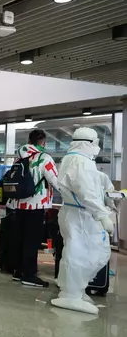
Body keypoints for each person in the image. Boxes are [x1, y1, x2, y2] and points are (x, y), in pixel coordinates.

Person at [51, 127, 113, 315]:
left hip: (77, 214)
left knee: (84, 252)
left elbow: (93, 181)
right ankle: (71, 294)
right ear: (88, 143)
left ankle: (76, 289)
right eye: (95, 143)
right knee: (80, 254)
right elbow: (86, 192)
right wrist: (102, 215)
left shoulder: (75, 159)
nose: (98, 147)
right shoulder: (80, 162)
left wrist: (107, 191)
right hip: (82, 215)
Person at [7, 129, 59, 287]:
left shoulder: (20, 157)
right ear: (43, 142)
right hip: (36, 206)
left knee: (21, 239)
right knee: (32, 241)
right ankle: (29, 275)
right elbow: (56, 182)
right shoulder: (45, 158)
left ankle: (19, 271)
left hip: (18, 204)